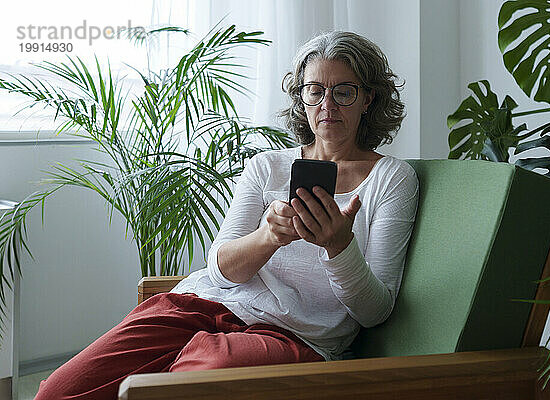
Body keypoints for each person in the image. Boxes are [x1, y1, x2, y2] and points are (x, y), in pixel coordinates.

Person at [35, 30, 418, 400]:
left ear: (368, 99)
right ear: (301, 98)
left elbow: (375, 311)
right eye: (315, 91)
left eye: (344, 92)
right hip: (203, 304)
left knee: (183, 386)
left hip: (292, 335)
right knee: (60, 390)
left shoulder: (390, 179)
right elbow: (221, 269)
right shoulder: (267, 166)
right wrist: (269, 236)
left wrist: (339, 246)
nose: (327, 105)